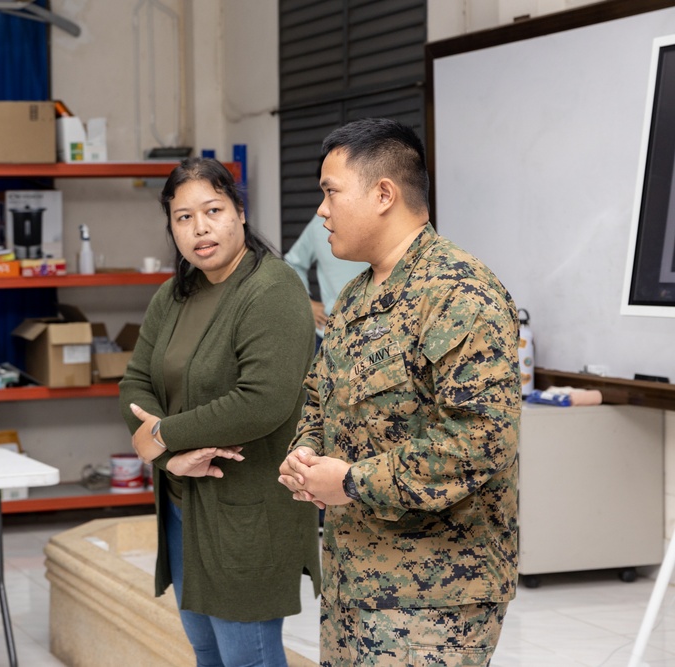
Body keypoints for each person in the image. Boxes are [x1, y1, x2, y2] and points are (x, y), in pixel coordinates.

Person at [278, 118, 521, 666]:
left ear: (383, 193)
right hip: (353, 582)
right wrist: (305, 452)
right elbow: (318, 396)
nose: (322, 211)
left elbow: (479, 441)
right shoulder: (355, 298)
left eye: (330, 193)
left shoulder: (459, 293)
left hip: (433, 599)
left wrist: (351, 481)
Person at [119, 157, 321, 667]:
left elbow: (264, 401)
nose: (200, 228)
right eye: (183, 217)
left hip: (245, 510)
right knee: (206, 649)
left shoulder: (273, 289)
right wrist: (169, 458)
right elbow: (135, 382)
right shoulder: (175, 293)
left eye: (213, 210)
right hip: (182, 506)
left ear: (240, 213)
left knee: (247, 657)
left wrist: (161, 436)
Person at [284, 214, 366, 347]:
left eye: (332, 192)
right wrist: (305, 302)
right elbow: (292, 263)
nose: (321, 208)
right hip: (329, 335)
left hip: (378, 332)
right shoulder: (319, 223)